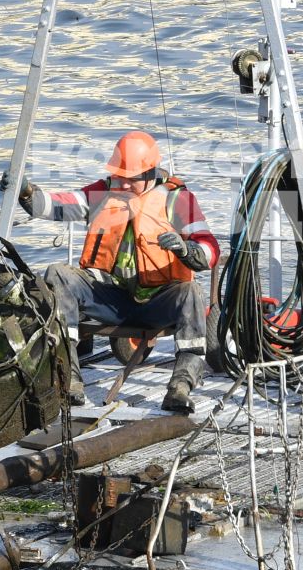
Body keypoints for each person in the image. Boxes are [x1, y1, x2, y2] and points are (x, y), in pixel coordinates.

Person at [15, 130, 218, 412]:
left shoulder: (177, 199)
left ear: (150, 173)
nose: (122, 183)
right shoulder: (104, 192)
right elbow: (58, 206)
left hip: (158, 303)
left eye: (130, 178)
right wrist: (25, 192)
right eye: (119, 176)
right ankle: (70, 381)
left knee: (191, 292)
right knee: (59, 273)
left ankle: (180, 387)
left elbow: (209, 248)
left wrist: (186, 251)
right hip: (113, 298)